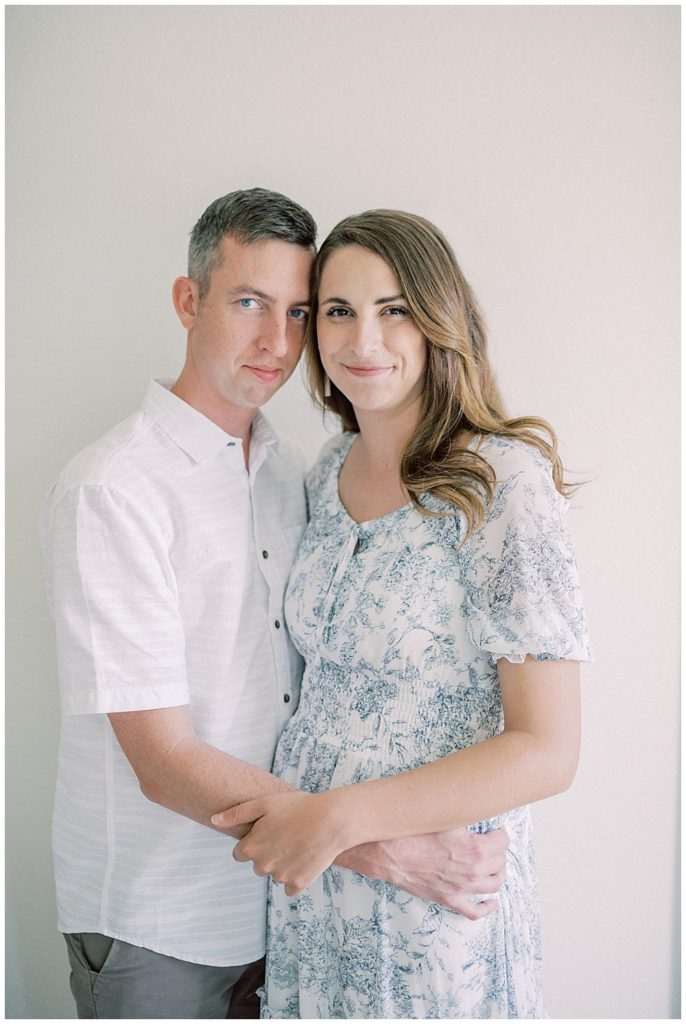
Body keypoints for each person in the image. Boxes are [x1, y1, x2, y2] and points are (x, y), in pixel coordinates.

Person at [40, 190, 510, 1020]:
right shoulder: (113, 490)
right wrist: (388, 854)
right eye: (248, 302)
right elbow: (162, 761)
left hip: (290, 919)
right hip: (162, 926)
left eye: (298, 312)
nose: (277, 343)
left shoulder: (301, 471)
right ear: (188, 301)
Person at [213, 208, 592, 1018]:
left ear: (439, 320)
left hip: (436, 896)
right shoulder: (324, 470)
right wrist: (327, 834)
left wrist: (340, 818)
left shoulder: (501, 484)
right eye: (339, 312)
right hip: (319, 890)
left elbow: (548, 750)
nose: (362, 342)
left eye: (393, 311)